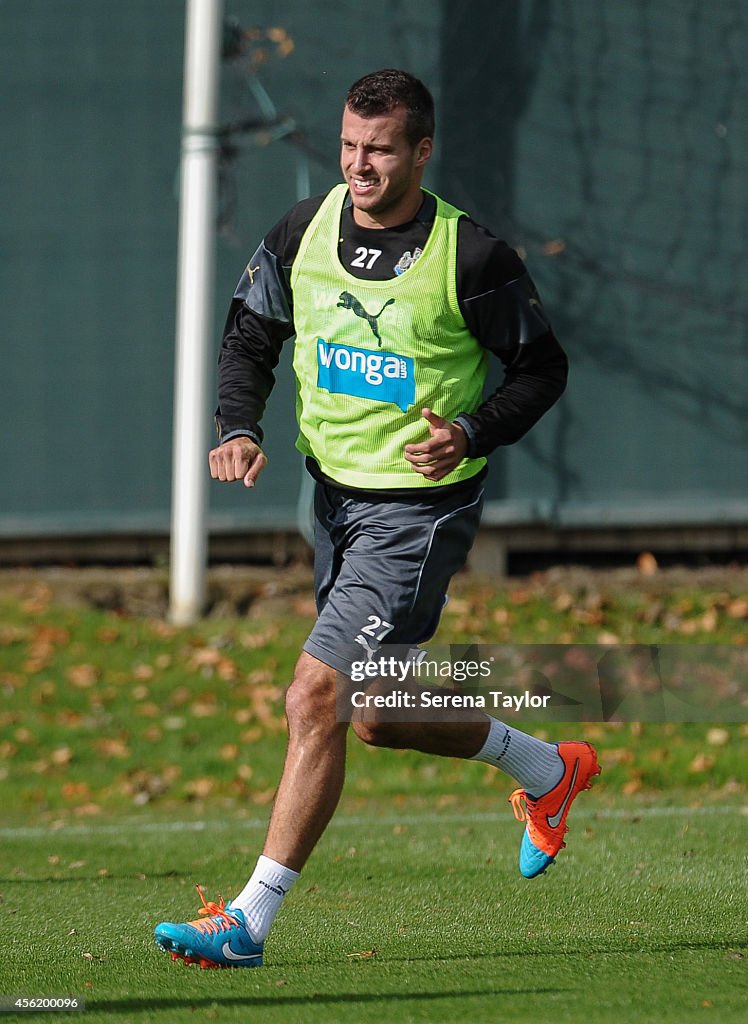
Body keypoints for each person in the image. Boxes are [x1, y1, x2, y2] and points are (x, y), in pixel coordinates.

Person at [155, 69, 599, 970]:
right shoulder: (303, 228)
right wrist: (238, 425)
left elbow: (543, 370)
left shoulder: (471, 256)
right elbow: (250, 330)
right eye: (350, 146)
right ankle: (548, 769)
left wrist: (469, 430)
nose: (359, 165)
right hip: (333, 499)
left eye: (381, 149)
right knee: (376, 713)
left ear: (421, 151)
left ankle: (248, 921)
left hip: (419, 512)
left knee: (313, 695)